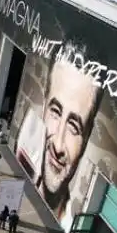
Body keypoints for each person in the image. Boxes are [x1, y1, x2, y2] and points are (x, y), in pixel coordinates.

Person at [16, 43, 102, 220]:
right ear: (45, 106)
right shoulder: (25, 163)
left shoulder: (72, 224)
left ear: (86, 138)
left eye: (74, 126)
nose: (58, 144)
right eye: (55, 112)